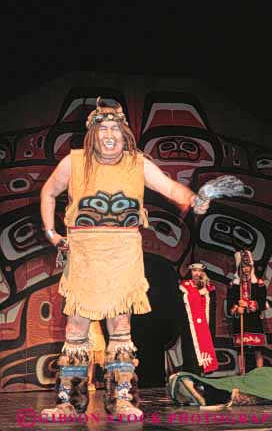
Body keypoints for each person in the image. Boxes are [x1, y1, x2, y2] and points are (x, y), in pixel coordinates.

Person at [40, 97, 210, 419]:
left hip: (122, 254)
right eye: (103, 128)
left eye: (115, 129)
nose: (109, 134)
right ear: (92, 134)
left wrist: (193, 199)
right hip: (85, 253)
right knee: (76, 327)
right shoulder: (74, 162)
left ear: (125, 134)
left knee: (121, 326)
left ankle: (121, 398)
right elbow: (48, 192)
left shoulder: (137, 162)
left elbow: (172, 189)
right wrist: (52, 233)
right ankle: (69, 401)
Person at [227, 250, 266, 374]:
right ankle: (242, 373)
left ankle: (260, 374)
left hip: (254, 319)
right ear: (240, 267)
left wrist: (248, 304)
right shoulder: (234, 285)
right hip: (240, 319)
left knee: (257, 349)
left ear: (251, 267)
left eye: (248, 266)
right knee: (240, 349)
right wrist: (237, 308)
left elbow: (262, 302)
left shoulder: (259, 284)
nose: (246, 269)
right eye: (243, 266)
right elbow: (229, 303)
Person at [179, 262, 218, 376]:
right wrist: (197, 294)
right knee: (191, 350)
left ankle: (204, 372)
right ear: (190, 272)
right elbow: (180, 303)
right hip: (190, 326)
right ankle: (192, 374)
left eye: (199, 271)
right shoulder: (184, 286)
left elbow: (213, 308)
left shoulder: (209, 287)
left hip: (206, 324)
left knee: (206, 347)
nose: (197, 273)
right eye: (194, 270)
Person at [87, 320, 106, 391]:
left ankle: (91, 380)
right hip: (84, 326)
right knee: (89, 355)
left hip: (94, 326)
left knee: (94, 355)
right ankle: (88, 381)